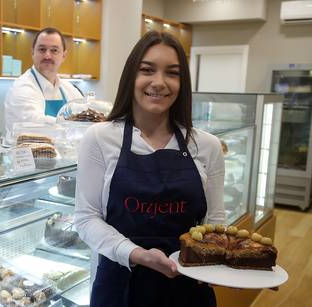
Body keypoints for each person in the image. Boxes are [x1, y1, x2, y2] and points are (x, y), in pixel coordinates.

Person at [74, 31, 226, 307]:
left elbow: (215, 220)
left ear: (183, 83)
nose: (159, 82)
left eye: (172, 73)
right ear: (131, 76)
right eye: (147, 70)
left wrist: (229, 266)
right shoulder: (99, 138)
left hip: (188, 288)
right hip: (120, 287)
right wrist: (138, 254)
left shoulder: (207, 146)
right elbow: (86, 219)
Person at [3, 27, 83, 137]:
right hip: (29, 153)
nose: (47, 56)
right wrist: (76, 126)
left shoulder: (69, 89)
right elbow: (37, 125)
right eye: (42, 49)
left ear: (63, 56)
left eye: (54, 50)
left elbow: (84, 117)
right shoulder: (22, 87)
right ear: (32, 52)